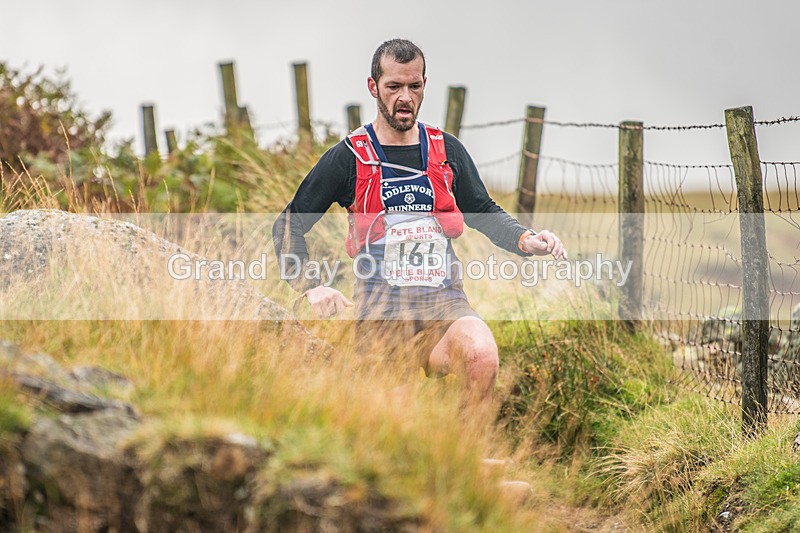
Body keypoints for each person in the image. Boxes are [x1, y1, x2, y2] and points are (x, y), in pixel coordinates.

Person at [273, 38, 566, 418]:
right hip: (380, 313)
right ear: (373, 87)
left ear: (425, 84)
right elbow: (288, 226)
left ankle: (469, 466)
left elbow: (481, 209)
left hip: (443, 301)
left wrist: (527, 239)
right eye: (394, 86)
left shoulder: (446, 149)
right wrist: (310, 285)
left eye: (414, 86)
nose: (405, 97)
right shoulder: (348, 157)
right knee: (394, 426)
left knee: (482, 355)